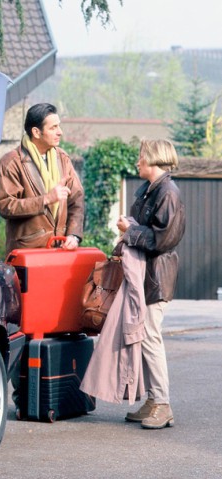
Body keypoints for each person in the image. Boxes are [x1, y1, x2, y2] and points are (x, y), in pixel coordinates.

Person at [119, 139, 186, 430]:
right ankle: (152, 400)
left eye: (141, 156)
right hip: (146, 275)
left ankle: (162, 404)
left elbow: (163, 239)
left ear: (154, 159)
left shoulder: (168, 192)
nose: (137, 161)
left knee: (149, 336)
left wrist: (130, 230)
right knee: (145, 335)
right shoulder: (152, 189)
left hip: (157, 276)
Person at [0, 103, 85, 252]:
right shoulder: (11, 162)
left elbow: (77, 200)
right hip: (28, 253)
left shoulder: (63, 158)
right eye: (53, 128)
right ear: (36, 132)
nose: (60, 132)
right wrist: (45, 199)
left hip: (61, 250)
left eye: (59, 126)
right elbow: (6, 206)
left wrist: (73, 235)